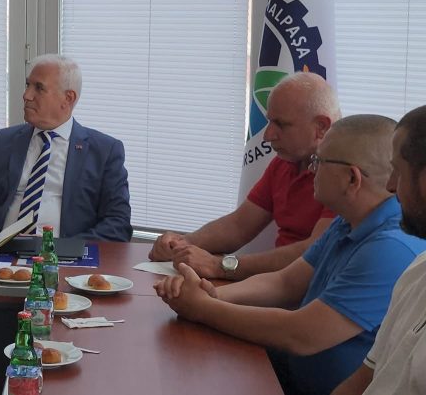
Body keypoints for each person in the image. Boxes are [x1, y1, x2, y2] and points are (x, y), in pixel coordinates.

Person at [155, 114, 426, 395]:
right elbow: (284, 283)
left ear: (351, 178)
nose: (311, 170)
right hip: (288, 374)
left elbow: (303, 334)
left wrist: (203, 308)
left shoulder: (392, 246)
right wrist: (208, 293)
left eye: (318, 162)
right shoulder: (347, 221)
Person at [149, 72, 340, 280]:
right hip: (280, 287)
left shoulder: (345, 176)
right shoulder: (284, 163)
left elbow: (316, 252)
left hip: (313, 291)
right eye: (269, 122)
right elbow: (238, 226)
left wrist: (220, 266)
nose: (267, 136)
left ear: (321, 127)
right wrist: (181, 244)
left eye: (281, 124)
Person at [0, 54, 132, 241]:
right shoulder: (3, 141)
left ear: (68, 98)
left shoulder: (104, 151)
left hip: (64, 254)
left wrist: (63, 249)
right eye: (28, 85)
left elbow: (118, 224)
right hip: (2, 254)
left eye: (39, 88)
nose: (26, 95)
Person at [331, 105, 426, 395]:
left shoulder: (393, 247)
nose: (391, 185)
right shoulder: (417, 271)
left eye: (398, 171)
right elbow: (362, 382)